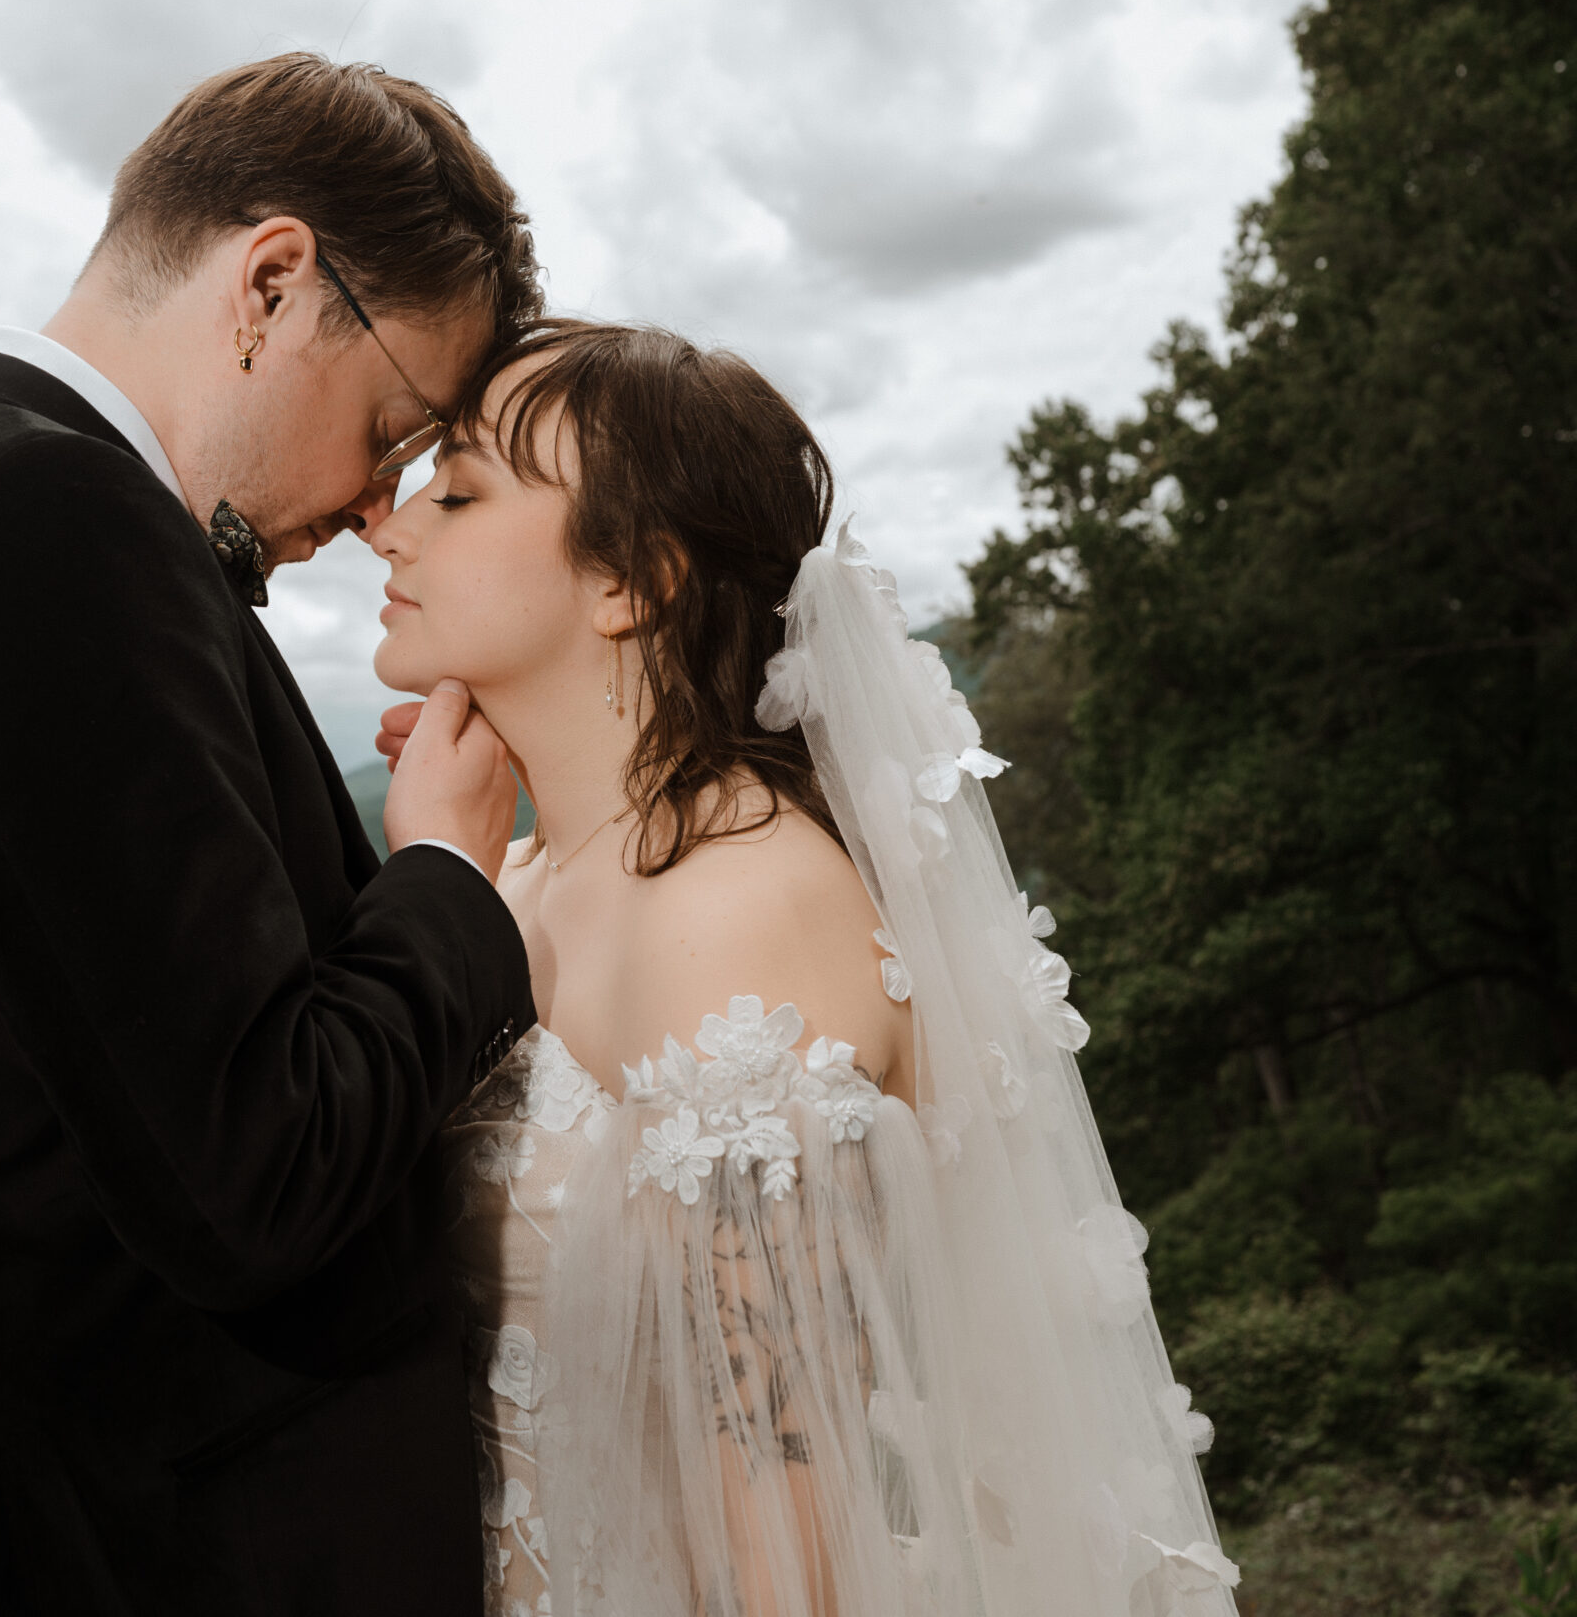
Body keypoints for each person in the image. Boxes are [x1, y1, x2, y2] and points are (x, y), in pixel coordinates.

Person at [0, 54, 542, 1615]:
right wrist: (447, 874)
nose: (381, 505)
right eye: (393, 423)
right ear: (270, 283)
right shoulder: (45, 531)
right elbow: (259, 1173)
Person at [371, 322, 1245, 1615]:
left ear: (634, 581)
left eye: (457, 492)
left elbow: (777, 1519)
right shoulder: (510, 881)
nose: (392, 532)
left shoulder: (744, 910)